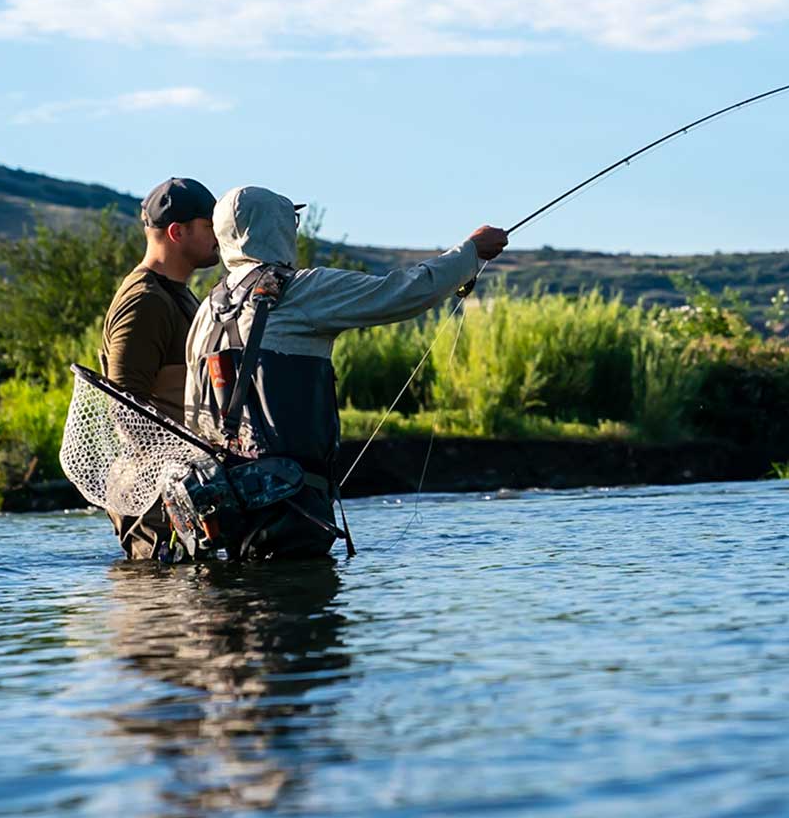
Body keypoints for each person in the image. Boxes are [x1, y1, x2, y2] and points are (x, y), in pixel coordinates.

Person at [183, 185, 509, 561]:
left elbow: (193, 412)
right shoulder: (299, 291)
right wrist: (470, 252)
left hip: (226, 515)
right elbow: (403, 292)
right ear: (275, 227)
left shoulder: (207, 310)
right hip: (292, 512)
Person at [101, 177, 222, 558]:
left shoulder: (176, 293)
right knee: (159, 607)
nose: (219, 236)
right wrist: (174, 476)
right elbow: (124, 406)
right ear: (176, 231)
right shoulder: (144, 301)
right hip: (152, 500)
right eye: (209, 226)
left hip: (179, 488)